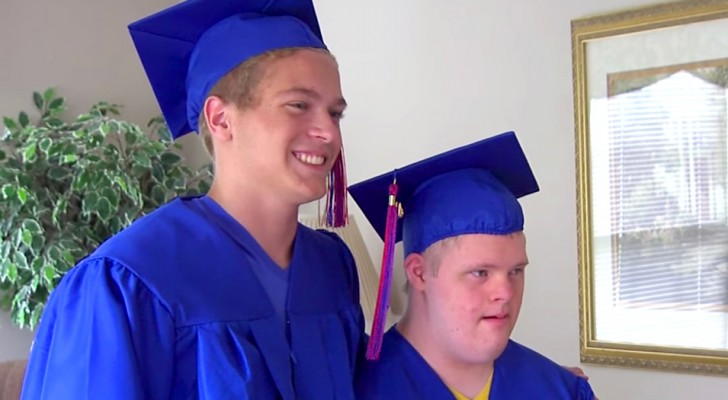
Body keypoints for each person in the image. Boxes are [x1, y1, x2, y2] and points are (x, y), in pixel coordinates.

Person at [21, 0, 364, 398]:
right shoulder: (129, 280)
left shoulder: (331, 265)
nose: (328, 132)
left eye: (335, 113)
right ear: (221, 119)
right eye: (299, 105)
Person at [349, 132, 596, 399]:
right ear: (419, 273)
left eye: (516, 271)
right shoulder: (355, 390)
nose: (506, 292)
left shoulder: (560, 389)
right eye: (480, 272)